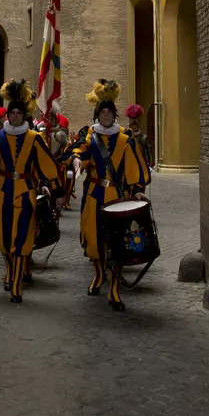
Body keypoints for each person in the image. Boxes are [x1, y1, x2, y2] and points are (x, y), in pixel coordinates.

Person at [66, 79, 150, 312]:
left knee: (117, 243)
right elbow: (78, 150)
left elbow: (134, 168)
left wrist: (136, 190)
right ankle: (98, 275)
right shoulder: (89, 135)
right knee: (94, 240)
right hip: (93, 194)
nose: (105, 115)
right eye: (101, 112)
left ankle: (114, 290)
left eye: (108, 112)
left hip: (116, 195)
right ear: (97, 115)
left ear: (114, 115)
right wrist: (76, 160)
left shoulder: (125, 138)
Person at [0, 79, 65, 303]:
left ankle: (16, 283)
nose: (15, 116)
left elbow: (47, 166)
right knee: (2, 240)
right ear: (8, 116)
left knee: (21, 238)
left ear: (23, 116)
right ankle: (10, 270)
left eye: (18, 112)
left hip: (26, 194)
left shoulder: (34, 139)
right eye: (12, 113)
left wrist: (56, 192)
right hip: (1, 194)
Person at [124, 104, 154, 176]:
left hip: (141, 169)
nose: (134, 121)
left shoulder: (144, 138)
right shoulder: (124, 136)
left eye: (136, 118)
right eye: (132, 118)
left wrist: (149, 166)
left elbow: (149, 154)